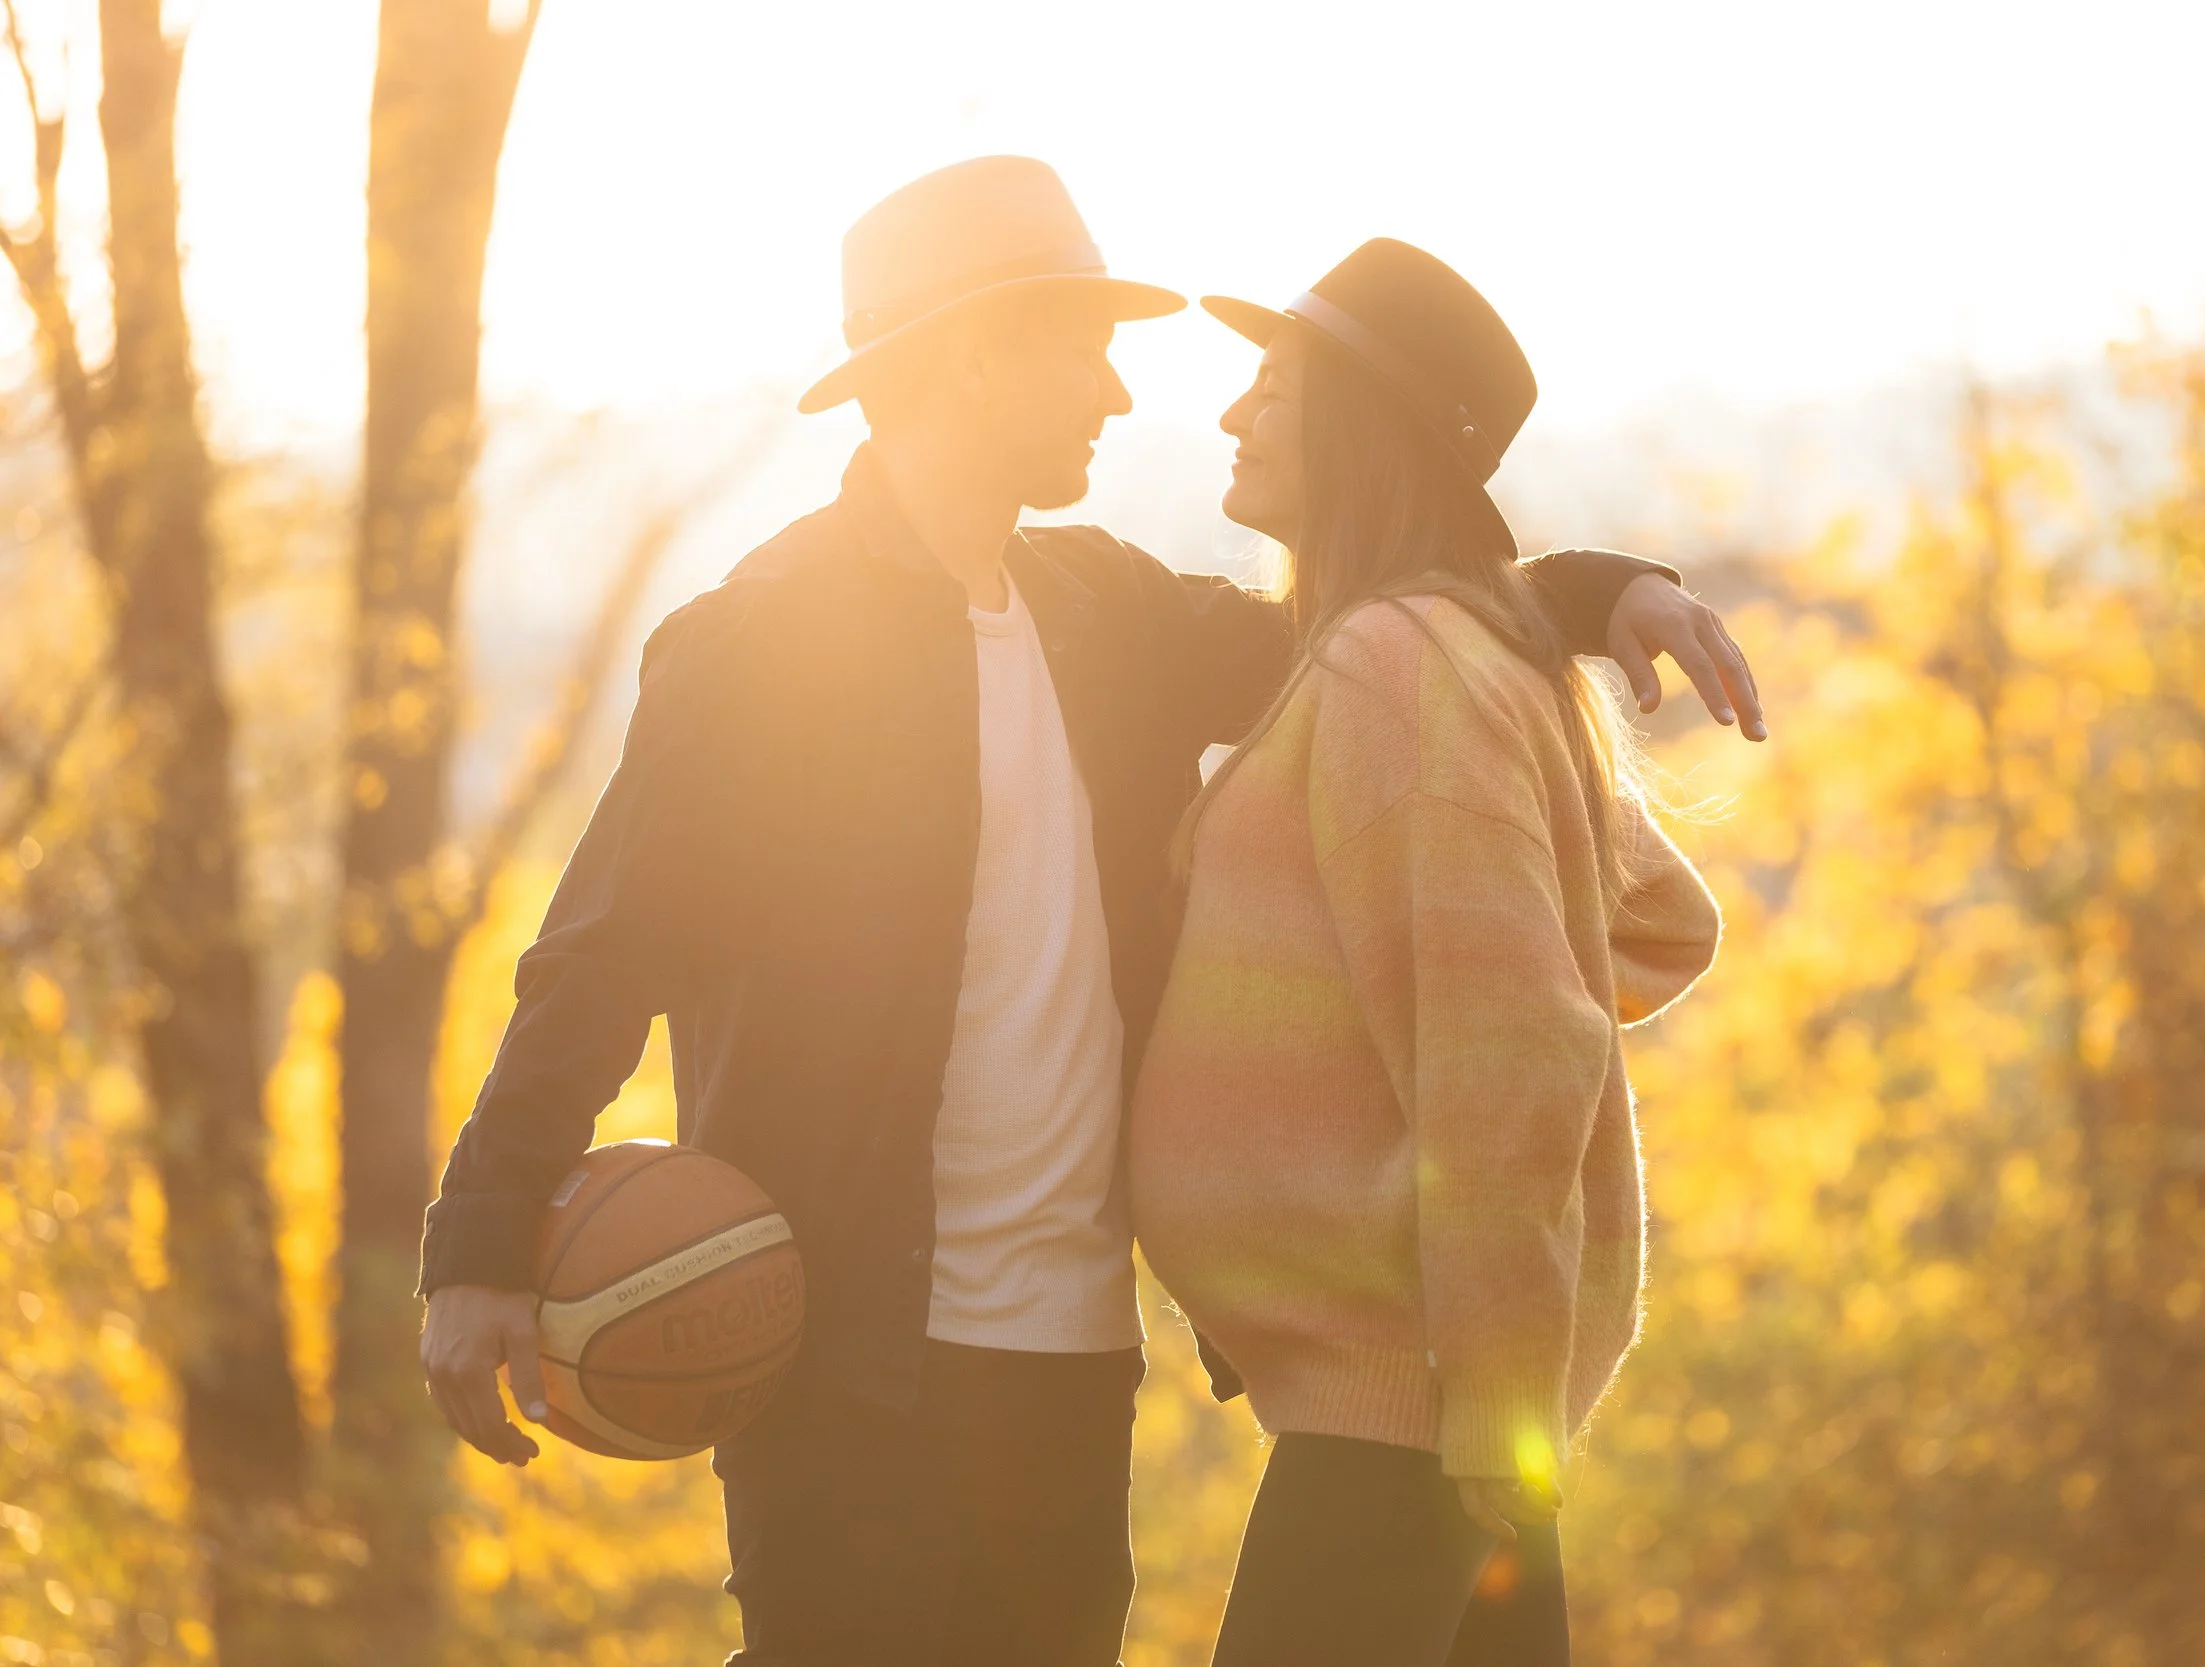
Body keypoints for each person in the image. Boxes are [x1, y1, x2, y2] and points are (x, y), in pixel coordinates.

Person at [416, 158, 1760, 1667]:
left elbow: (1372, 639)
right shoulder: (762, 649)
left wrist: (1596, 588)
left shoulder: (1107, 612)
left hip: (1069, 1367)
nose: (1121, 397)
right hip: (850, 1372)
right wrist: (475, 1249)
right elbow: (599, 964)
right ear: (977, 352)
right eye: (1085, 347)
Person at [1130, 239, 1725, 1666]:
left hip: (1407, 1429)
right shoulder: (1440, 653)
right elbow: (1641, 921)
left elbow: (1511, 1042)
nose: (1231, 415)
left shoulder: (1398, 671)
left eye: (1270, 384)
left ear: (1355, 420)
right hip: (1444, 1422)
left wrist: (1495, 1405)